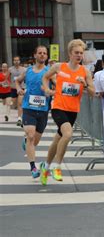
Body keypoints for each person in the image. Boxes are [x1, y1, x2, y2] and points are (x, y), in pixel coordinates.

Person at [39, 39, 95, 186]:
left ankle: (45, 166)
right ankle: (57, 167)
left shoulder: (85, 72)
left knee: (58, 139)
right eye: (76, 53)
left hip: (73, 110)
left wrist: (84, 84)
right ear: (70, 53)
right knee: (68, 134)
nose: (79, 55)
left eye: (81, 53)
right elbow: (44, 77)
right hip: (58, 107)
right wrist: (46, 89)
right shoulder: (59, 67)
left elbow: (93, 92)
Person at [14, 45, 51, 178]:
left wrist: (48, 91)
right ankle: (33, 168)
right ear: (35, 55)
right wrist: (18, 89)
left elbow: (57, 86)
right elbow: (17, 81)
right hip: (28, 108)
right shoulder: (28, 70)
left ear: (47, 56)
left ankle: (29, 145)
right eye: (39, 53)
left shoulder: (49, 72)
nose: (42, 55)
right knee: (30, 136)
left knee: (34, 141)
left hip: (43, 110)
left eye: (44, 53)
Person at [9, 56, 27, 126]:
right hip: (13, 88)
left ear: (19, 61)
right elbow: (7, 78)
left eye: (17, 60)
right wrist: (8, 84)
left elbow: (26, 78)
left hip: (21, 88)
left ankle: (20, 118)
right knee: (14, 104)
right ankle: (19, 114)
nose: (16, 62)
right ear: (13, 61)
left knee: (20, 103)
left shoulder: (24, 69)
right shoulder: (10, 69)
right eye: (15, 60)